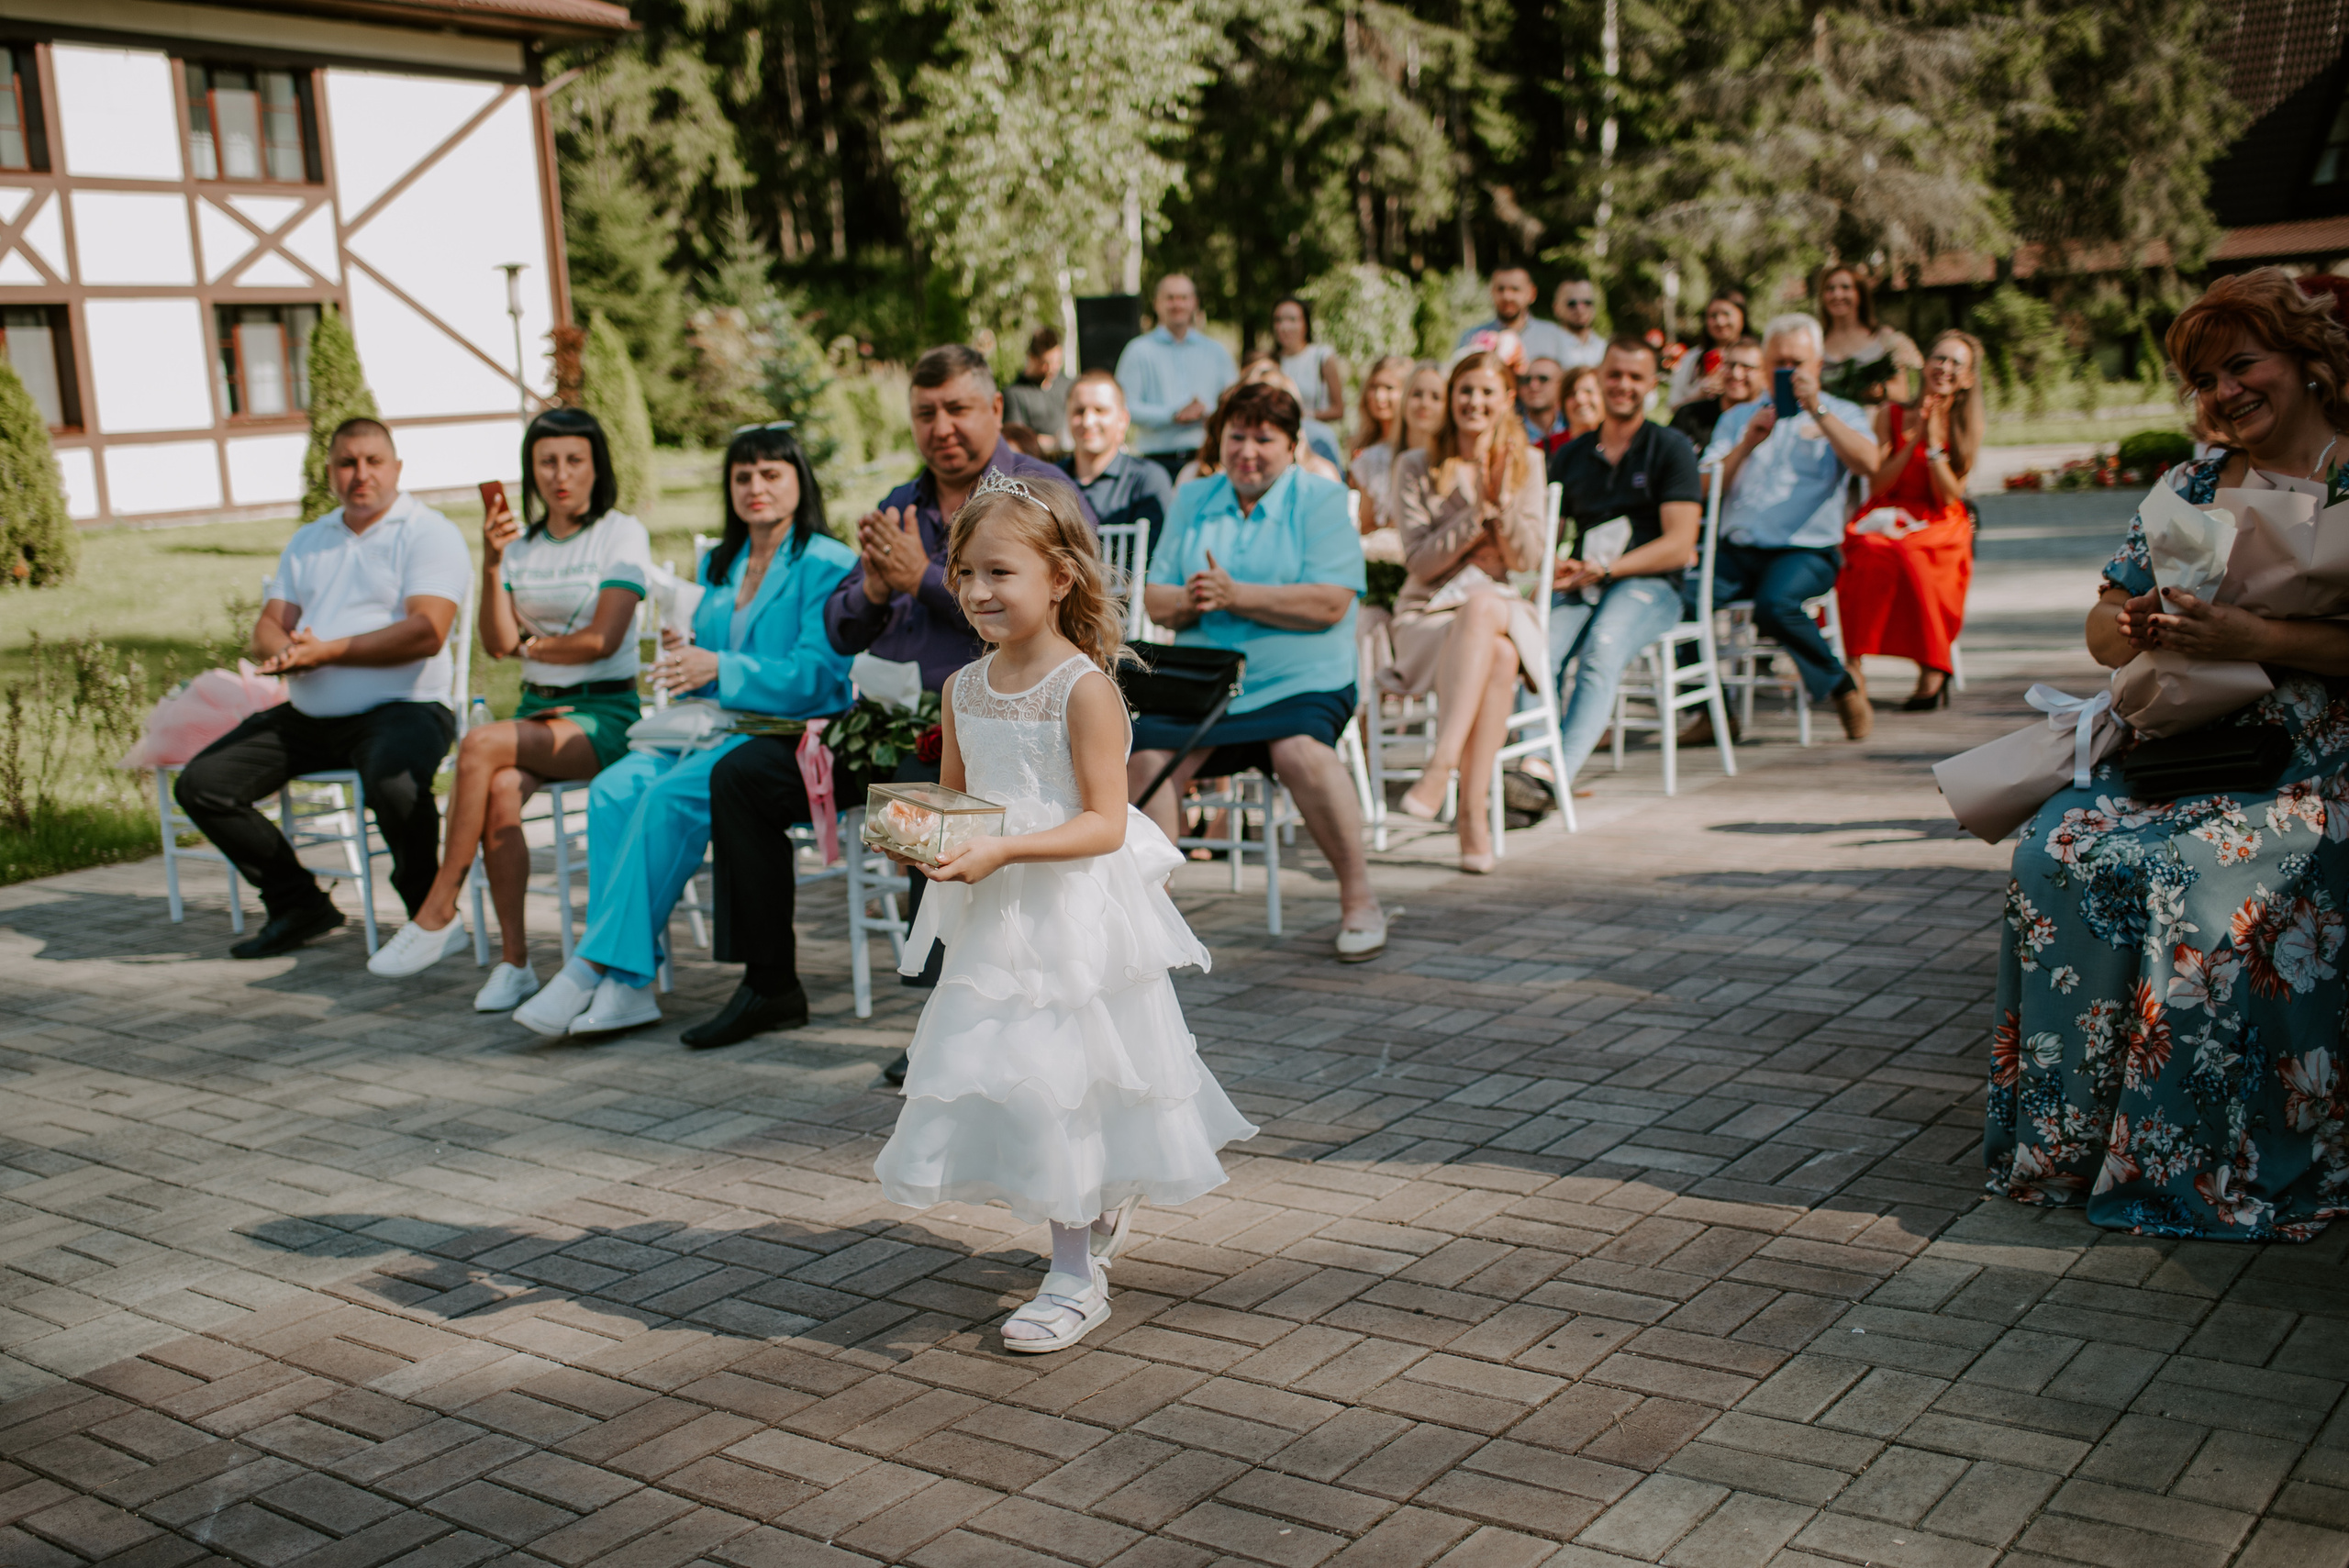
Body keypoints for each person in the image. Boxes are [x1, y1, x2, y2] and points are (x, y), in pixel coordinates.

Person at [1987, 266, 2349, 1240]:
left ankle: (2196, 1159)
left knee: (2187, 880)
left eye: (2242, 364)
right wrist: (2135, 622)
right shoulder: (2189, 484)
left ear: (2307, 360)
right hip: (2185, 751)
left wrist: (2253, 637)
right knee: (2052, 849)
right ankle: (2070, 1145)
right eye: (2204, 379)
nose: (2224, 392)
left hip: (2312, 764)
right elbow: (2098, 624)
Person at [871, 470, 1254, 1351]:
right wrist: (922, 836)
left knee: (1064, 1081)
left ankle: (1074, 1275)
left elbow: (1103, 821)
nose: (975, 592)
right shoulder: (963, 690)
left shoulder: (1084, 687)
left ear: (1059, 576)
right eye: (965, 572)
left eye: (999, 572)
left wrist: (1006, 847)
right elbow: (959, 800)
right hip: (993, 919)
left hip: (1071, 917)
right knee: (1001, 1064)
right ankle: (1088, 1218)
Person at [513, 426, 858, 1040]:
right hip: (710, 727)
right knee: (615, 787)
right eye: (743, 476)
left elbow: (820, 674)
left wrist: (719, 667)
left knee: (669, 797)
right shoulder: (716, 564)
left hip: (784, 736)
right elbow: (703, 675)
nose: (756, 488)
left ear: (799, 479)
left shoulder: (828, 564)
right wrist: (686, 654)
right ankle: (631, 986)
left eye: (771, 473)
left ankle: (597, 967)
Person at [829, 345, 1098, 1079]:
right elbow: (841, 627)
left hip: (1009, 719)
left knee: (933, 789)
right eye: (925, 412)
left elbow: (1067, 610)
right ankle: (766, 981)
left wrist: (922, 578)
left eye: (956, 408)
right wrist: (878, 590)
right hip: (904, 711)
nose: (941, 426)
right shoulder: (899, 504)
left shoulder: (1043, 492)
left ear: (995, 410)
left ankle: (945, 1015)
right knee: (755, 777)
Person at [362, 408, 651, 1007]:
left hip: (605, 715)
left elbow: (603, 638)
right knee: (497, 790)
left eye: (575, 460)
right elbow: (498, 642)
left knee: (479, 743)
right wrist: (493, 560)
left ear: (598, 467)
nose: (560, 474)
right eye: (547, 462)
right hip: (538, 714)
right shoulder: (521, 547)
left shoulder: (619, 532)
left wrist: (536, 646)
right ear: (531, 471)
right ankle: (516, 962)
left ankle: (438, 909)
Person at [173, 419, 467, 960]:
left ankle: (430, 913)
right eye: (347, 463)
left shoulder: (428, 532)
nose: (361, 474)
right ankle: (298, 904)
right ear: (330, 473)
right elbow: (270, 623)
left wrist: (326, 651)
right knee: (202, 784)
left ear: (396, 468)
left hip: (404, 707)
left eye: (373, 461)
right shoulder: (310, 539)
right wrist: (282, 652)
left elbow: (428, 632)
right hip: (309, 713)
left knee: (395, 786)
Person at [1131, 382, 1388, 960]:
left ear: (1292, 445)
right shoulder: (1194, 498)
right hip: (1206, 686)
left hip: (1303, 680)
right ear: (1218, 440)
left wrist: (1237, 594)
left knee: (1301, 752)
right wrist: (1195, 600)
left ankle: (1359, 898)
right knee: (1146, 756)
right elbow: (1157, 598)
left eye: (1264, 438)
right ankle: (1148, 922)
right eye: (1237, 436)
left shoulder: (1322, 499)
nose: (1248, 450)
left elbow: (1330, 603)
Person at [1382, 350, 1549, 872]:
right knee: (1499, 656)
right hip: (1427, 616)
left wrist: (1501, 506)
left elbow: (1526, 560)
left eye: (1486, 392)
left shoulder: (1530, 464)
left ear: (1507, 400)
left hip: (1497, 605)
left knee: (1485, 609)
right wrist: (1478, 518)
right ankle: (1472, 813)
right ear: (1453, 397)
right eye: (1465, 391)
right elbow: (1420, 561)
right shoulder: (1416, 465)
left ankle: (1441, 770)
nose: (1474, 402)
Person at [1697, 312, 1881, 740]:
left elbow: (1869, 463)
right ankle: (1713, 712)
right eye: (1777, 362)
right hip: (1738, 549)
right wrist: (1747, 442)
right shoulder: (1738, 418)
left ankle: (1840, 685)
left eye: (1795, 362)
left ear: (1817, 363)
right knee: (1676, 600)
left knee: (1774, 603)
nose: (1786, 371)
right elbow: (1704, 486)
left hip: (1807, 550)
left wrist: (1817, 410)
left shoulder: (1841, 412)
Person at [1547, 341, 1705, 784]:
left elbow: (1679, 546)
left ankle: (1554, 778)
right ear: (1599, 376)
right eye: (1615, 374)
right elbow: (1551, 537)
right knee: (1536, 651)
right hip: (1586, 582)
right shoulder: (1571, 455)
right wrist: (1556, 564)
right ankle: (1535, 761)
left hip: (1652, 585)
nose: (1623, 385)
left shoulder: (1670, 447)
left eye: (1635, 377)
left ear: (1652, 384)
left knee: (1603, 645)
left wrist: (1611, 569)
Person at [1839, 329, 1986, 712]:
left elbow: (1948, 495)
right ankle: (1853, 665)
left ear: (1968, 377)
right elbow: (1878, 483)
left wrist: (1934, 444)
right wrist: (1915, 438)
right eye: (1940, 358)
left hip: (1939, 517)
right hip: (1889, 510)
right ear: (1926, 363)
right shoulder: (1892, 414)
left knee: (1918, 557)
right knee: (1867, 551)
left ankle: (1932, 668)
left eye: (1956, 363)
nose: (1945, 368)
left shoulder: (1965, 423)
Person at [1116, 274, 1238, 481]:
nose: (1177, 304)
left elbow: (1234, 401)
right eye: (1170, 298)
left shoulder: (1216, 352)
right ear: (1156, 304)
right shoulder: (1137, 351)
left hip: (1207, 460)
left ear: (1194, 303)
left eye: (1183, 297)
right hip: (1155, 462)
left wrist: (1205, 411)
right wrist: (1173, 414)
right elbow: (1124, 406)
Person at [1061, 370, 1175, 550]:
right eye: (1079, 411)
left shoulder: (1147, 480)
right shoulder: (1048, 478)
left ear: (1123, 420)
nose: (1088, 421)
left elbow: (1152, 560)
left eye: (1100, 410)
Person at [1817, 265, 1920, 406]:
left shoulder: (1884, 339)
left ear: (1860, 294)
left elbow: (1904, 393)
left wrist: (1882, 391)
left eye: (1845, 288)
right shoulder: (1814, 345)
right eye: (1830, 289)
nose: (1837, 295)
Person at [1457, 267, 1580, 371]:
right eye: (1501, 289)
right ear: (1491, 292)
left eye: (1515, 289)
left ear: (1532, 294)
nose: (1507, 296)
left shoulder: (1554, 336)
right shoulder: (1471, 337)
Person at [1348, 355, 1412, 531]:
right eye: (1374, 387)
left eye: (1389, 388)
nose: (1379, 396)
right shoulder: (1362, 447)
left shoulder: (1417, 447)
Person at [1669, 338, 1763, 452]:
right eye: (1730, 365)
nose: (1736, 374)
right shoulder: (1689, 416)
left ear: (1764, 374)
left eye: (1746, 367)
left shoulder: (1767, 422)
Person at [1666, 290, 1750, 409]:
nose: (1720, 322)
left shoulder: (1758, 357)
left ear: (1742, 316)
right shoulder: (1691, 358)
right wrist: (1699, 395)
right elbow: (1673, 406)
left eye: (1726, 314)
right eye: (1713, 316)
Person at [1272, 295, 1345, 423]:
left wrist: (1303, 415)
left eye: (1292, 320)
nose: (1284, 327)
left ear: (1305, 324)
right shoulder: (1271, 361)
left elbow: (1338, 410)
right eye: (1278, 320)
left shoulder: (1322, 356)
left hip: (1316, 437)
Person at [1002, 328, 1074, 453]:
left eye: (1057, 362)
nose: (1053, 368)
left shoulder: (1069, 385)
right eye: (1046, 363)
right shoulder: (1014, 394)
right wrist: (1053, 443)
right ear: (1032, 358)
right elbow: (1015, 440)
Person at [1551, 277, 1607, 370]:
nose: (1580, 310)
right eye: (1572, 304)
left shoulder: (1604, 347)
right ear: (1556, 308)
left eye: (1587, 303)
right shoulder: (1547, 344)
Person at [1520, 357, 1572, 455]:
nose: (1533, 385)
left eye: (1543, 379)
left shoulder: (1574, 427)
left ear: (1561, 385)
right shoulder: (1512, 432)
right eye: (1527, 380)